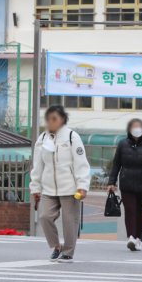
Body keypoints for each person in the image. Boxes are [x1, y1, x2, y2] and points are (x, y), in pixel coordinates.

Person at [30, 105, 91, 263]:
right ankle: (56, 246)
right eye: (48, 119)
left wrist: (82, 185)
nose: (50, 122)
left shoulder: (72, 137)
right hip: (49, 188)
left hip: (70, 188)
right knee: (44, 217)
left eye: (54, 119)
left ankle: (68, 251)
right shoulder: (43, 139)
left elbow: (81, 163)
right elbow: (38, 165)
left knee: (70, 221)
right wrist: (35, 187)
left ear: (62, 120)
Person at [106, 118, 142, 252]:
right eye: (134, 126)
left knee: (141, 212)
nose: (137, 129)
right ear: (129, 129)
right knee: (130, 210)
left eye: (139, 126)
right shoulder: (122, 144)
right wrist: (111, 182)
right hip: (127, 182)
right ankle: (131, 237)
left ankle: (137, 238)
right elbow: (116, 164)